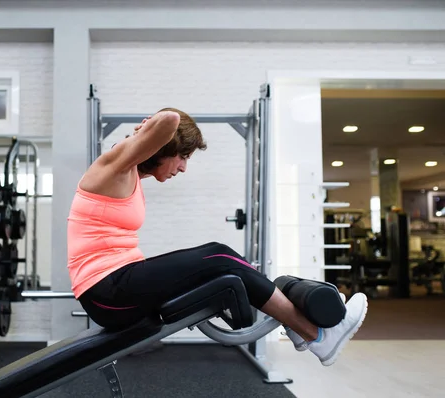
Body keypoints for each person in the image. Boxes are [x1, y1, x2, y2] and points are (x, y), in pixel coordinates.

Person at [67, 108, 368, 367]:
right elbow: (170, 119)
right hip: (106, 291)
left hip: (115, 285)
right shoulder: (114, 164)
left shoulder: (130, 174)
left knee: (222, 259)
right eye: (183, 156)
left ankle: (300, 328)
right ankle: (318, 336)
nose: (183, 167)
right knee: (219, 255)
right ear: (162, 148)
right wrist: (149, 129)